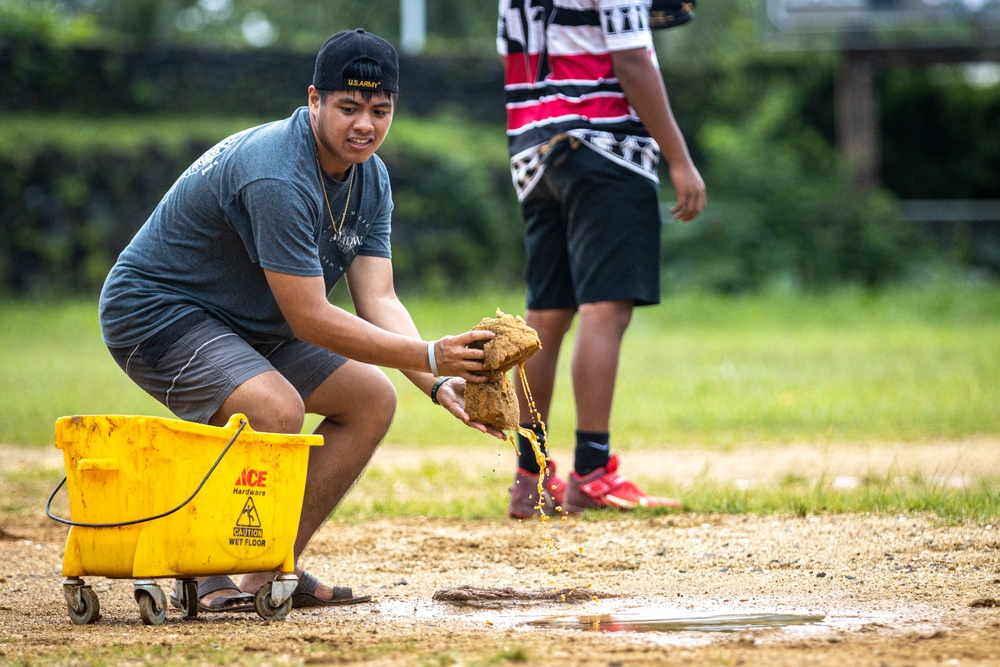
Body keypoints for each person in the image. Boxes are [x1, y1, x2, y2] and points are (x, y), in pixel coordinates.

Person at [99, 28, 501, 612]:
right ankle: (204, 569)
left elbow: (379, 298)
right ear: (314, 100)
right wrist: (430, 354)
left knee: (371, 399)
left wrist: (436, 382)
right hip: (156, 312)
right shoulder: (278, 174)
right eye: (348, 107)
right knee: (273, 408)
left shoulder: (371, 177)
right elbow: (311, 317)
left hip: (249, 323)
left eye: (380, 110)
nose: (365, 125)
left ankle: (267, 568)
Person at [497, 1, 707, 518]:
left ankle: (530, 474)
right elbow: (633, 61)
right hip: (604, 145)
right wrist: (680, 159)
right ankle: (591, 471)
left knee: (547, 314)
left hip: (533, 150)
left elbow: (517, 57)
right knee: (604, 309)